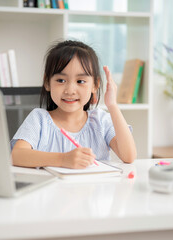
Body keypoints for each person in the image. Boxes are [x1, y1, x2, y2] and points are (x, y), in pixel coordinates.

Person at [11, 40, 136, 169]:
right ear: (47, 82)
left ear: (95, 85)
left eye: (80, 81)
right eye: (61, 80)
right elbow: (16, 155)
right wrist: (63, 159)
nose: (70, 90)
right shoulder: (39, 119)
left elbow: (128, 156)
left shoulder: (101, 121)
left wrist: (112, 105)